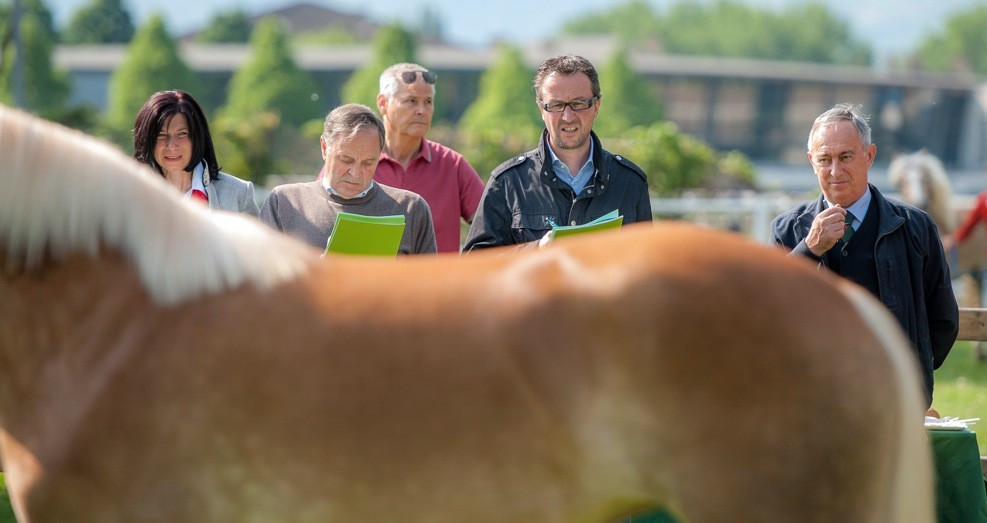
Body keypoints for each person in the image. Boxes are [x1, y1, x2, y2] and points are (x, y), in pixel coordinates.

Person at [771, 103, 958, 405]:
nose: (835, 170)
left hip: (894, 401)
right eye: (824, 159)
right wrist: (809, 249)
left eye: (845, 157)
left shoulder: (917, 227)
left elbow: (944, 319)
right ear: (811, 162)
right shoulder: (787, 230)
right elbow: (768, 313)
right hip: (810, 403)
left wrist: (911, 374)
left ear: (869, 156)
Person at [462, 54, 652, 251]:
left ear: (596, 106)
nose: (568, 117)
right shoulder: (507, 182)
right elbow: (475, 265)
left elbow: (650, 265)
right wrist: (536, 249)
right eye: (556, 105)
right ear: (541, 109)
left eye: (578, 104)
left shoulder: (631, 182)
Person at [317, 63, 484, 253]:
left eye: (428, 101)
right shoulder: (349, 165)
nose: (422, 110)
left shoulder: (453, 165)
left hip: (437, 282)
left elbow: (495, 227)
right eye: (411, 100)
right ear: (382, 103)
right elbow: (319, 222)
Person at [260, 104, 436, 255]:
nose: (356, 173)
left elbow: (429, 286)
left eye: (368, 163)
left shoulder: (411, 208)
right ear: (324, 147)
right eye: (346, 160)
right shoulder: (284, 202)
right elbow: (259, 282)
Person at [133, 90, 258, 216]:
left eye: (182, 134)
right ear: (146, 140)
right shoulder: (127, 195)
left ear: (198, 138)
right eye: (161, 135)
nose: (171, 145)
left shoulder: (238, 193)